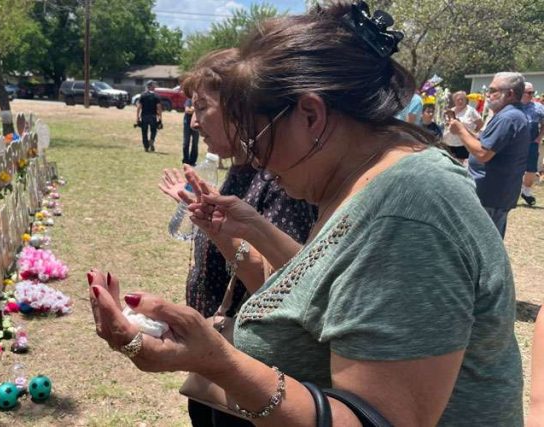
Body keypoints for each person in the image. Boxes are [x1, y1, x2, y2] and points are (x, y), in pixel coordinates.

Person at [88, 3, 522, 426]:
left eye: (256, 139)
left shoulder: (407, 212)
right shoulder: (357, 185)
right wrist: (249, 229)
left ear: (311, 115)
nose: (257, 161)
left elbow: (377, 418)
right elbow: (317, 297)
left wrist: (219, 363)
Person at [160, 48, 316, 426]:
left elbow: (281, 285)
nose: (193, 121)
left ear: (238, 107)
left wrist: (219, 230)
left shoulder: (279, 180)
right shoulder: (241, 171)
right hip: (221, 352)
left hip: (252, 367)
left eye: (202, 107)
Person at [448, 72, 529, 237]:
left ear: (510, 94)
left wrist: (460, 131)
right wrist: (463, 129)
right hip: (494, 194)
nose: (488, 95)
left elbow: (482, 153)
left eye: (493, 91)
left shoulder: (508, 118)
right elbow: (485, 143)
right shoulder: (509, 115)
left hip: (490, 196)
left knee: (481, 244)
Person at [519, 82, 544, 206]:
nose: (531, 95)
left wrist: (540, 137)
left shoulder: (538, 107)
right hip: (515, 143)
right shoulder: (513, 106)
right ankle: (513, 190)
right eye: (528, 92)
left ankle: (526, 192)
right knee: (513, 167)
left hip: (532, 143)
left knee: (531, 169)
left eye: (532, 92)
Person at [443, 91, 483, 162]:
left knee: (459, 164)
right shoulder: (451, 111)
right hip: (449, 142)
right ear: (454, 101)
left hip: (462, 143)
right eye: (458, 100)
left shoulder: (470, 111)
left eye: (462, 99)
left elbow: (480, 124)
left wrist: (472, 133)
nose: (460, 101)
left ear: (465, 100)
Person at [136, 80, 162, 152]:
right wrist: (160, 118)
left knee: (144, 132)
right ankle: (151, 141)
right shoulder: (156, 96)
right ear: (151, 86)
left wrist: (137, 117)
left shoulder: (143, 95)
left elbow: (139, 107)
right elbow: (159, 107)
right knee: (153, 130)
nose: (155, 86)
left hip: (144, 116)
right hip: (153, 116)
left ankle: (146, 147)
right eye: (154, 85)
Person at [182, 97, 200, 166]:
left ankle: (193, 161)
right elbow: (187, 110)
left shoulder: (199, 101)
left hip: (196, 124)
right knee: (186, 143)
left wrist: (193, 109)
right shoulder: (189, 100)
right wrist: (195, 109)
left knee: (195, 143)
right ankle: (186, 160)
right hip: (187, 123)